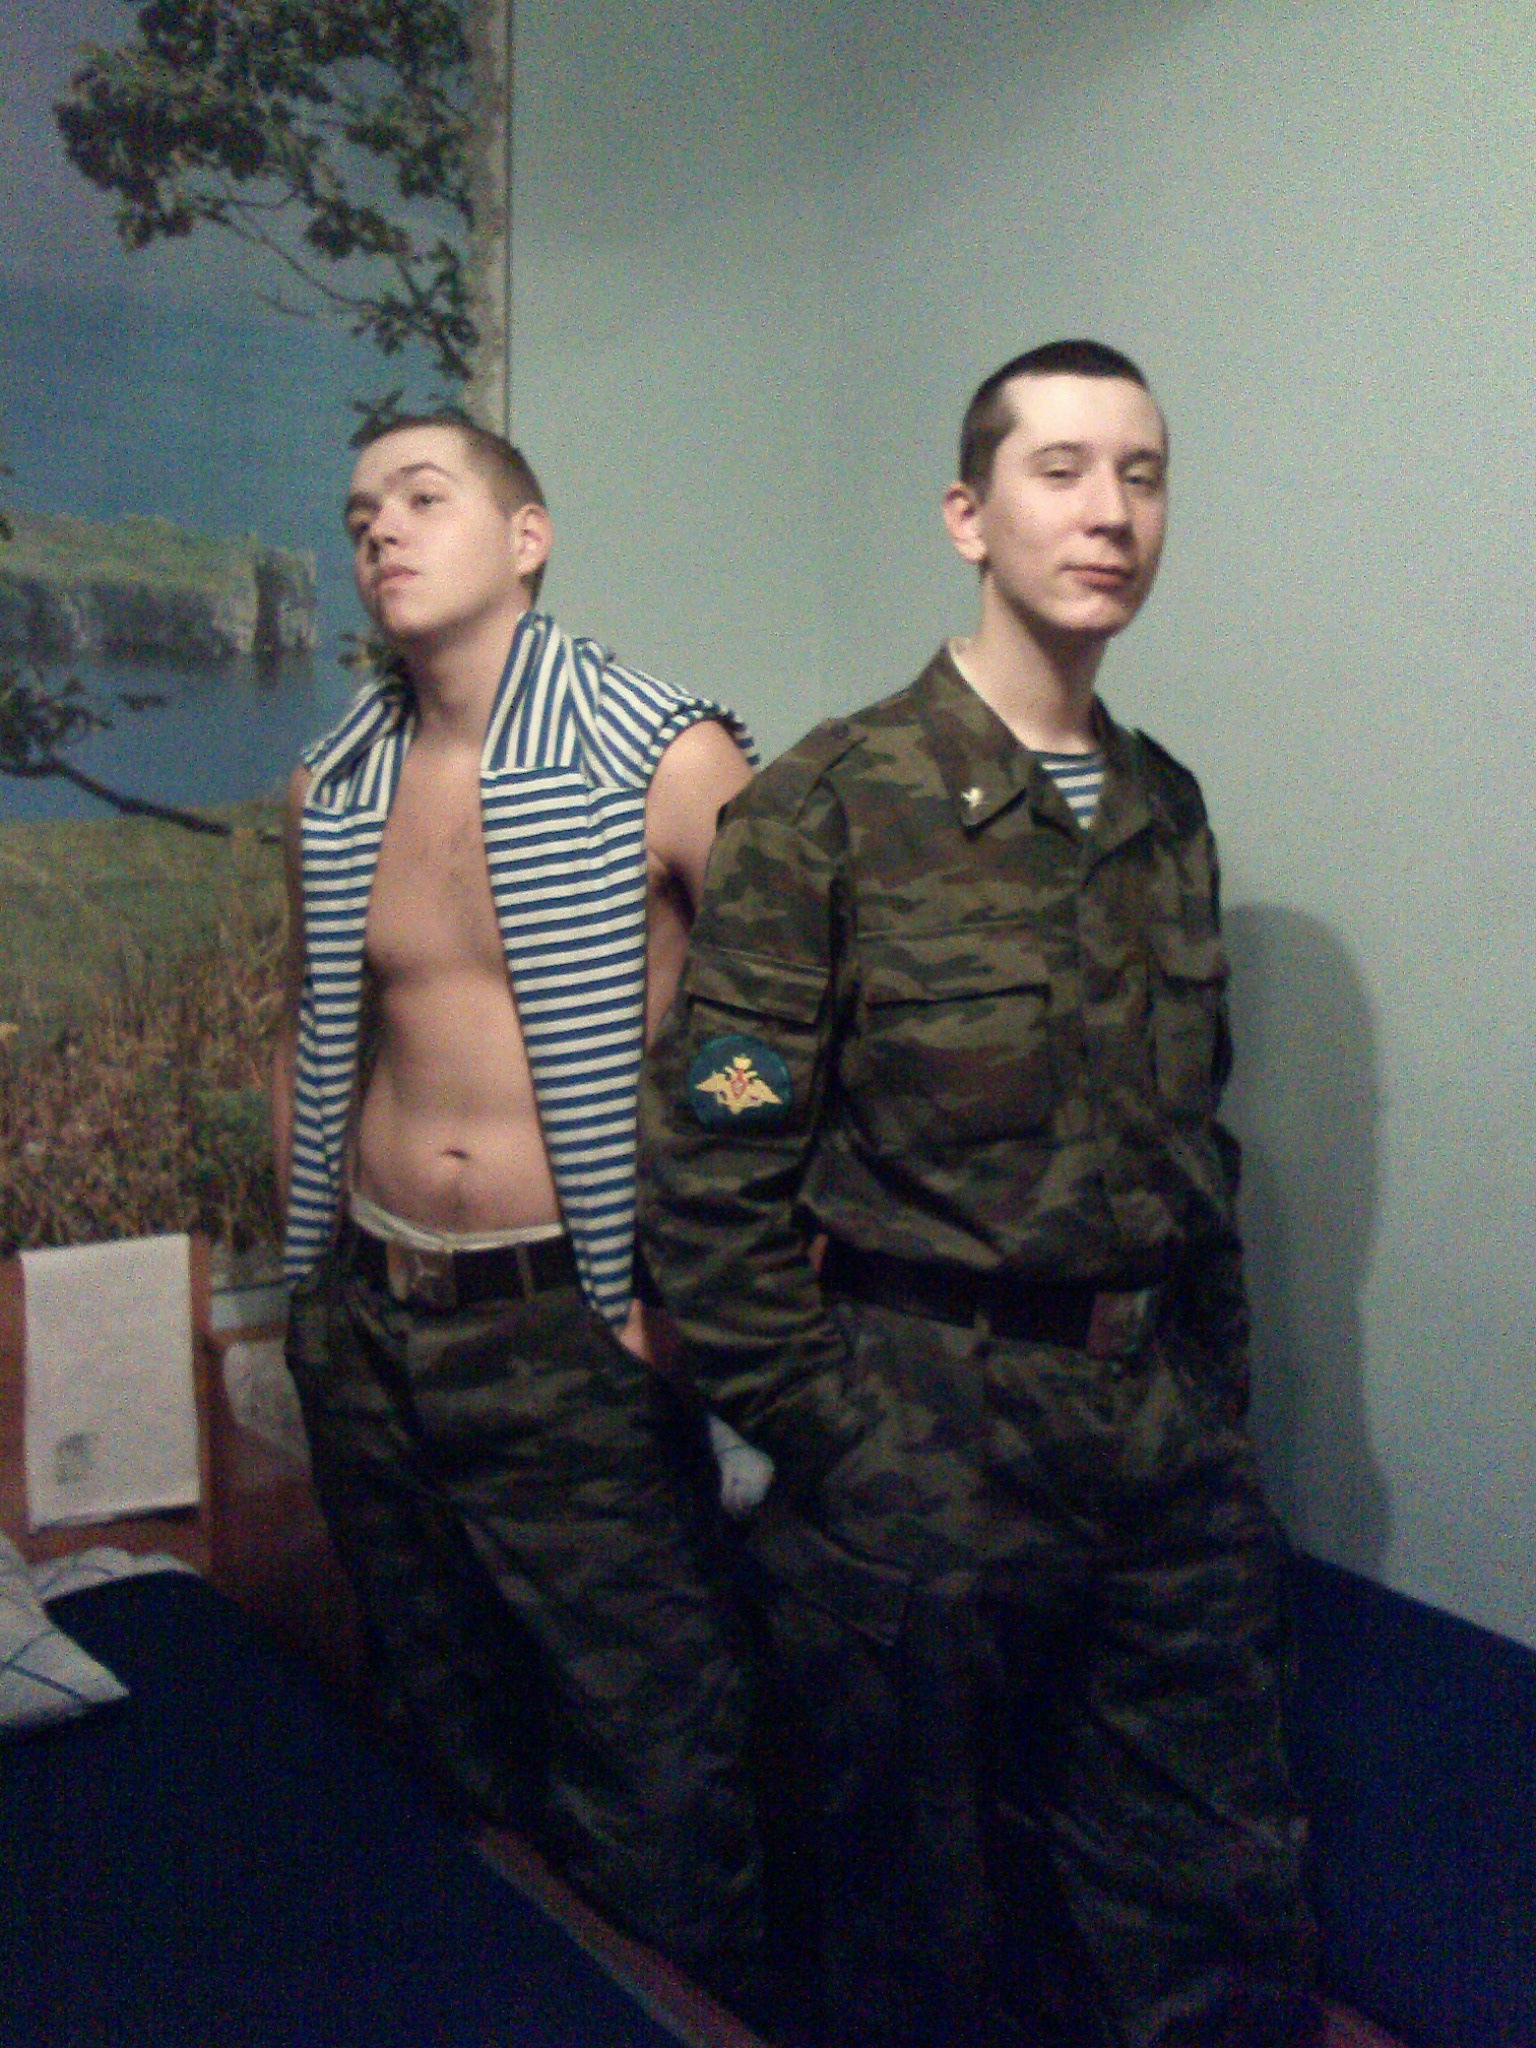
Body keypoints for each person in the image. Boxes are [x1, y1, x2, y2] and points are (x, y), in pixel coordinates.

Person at [638, 342, 1322, 2046]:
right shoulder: (824, 810)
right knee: (920, 1945)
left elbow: (1196, 1143)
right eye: (1062, 470)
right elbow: (715, 1161)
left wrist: (1212, 1399)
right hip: (919, 1449)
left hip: (1155, 1447)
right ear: (968, 514)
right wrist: (842, 1440)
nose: (1111, 513)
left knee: (1217, 1920)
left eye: (1143, 475)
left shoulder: (1163, 808)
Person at [271, 411, 764, 2002]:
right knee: (434, 1714)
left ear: (527, 537)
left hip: (570, 1322)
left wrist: (691, 1287)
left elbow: (783, 1036)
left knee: (652, 1739)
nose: (381, 532)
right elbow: (313, 1025)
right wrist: (305, 1287)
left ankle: (680, 2005)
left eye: (423, 498)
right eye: (361, 514)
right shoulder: (338, 777)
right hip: (372, 1318)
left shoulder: (661, 752)